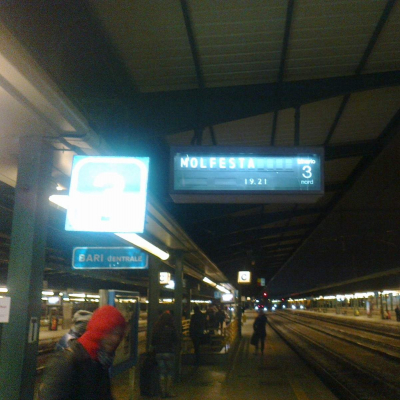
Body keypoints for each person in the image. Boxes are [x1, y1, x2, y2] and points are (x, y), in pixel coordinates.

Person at [38, 305, 126, 400]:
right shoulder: (67, 361)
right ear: (99, 330)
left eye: (118, 334)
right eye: (110, 332)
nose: (115, 338)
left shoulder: (99, 361)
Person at [151, 311, 178, 398]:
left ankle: (162, 392)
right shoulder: (172, 328)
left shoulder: (157, 328)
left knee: (161, 372)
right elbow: (176, 340)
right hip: (169, 352)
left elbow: (153, 342)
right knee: (170, 372)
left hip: (159, 353)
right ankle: (168, 391)